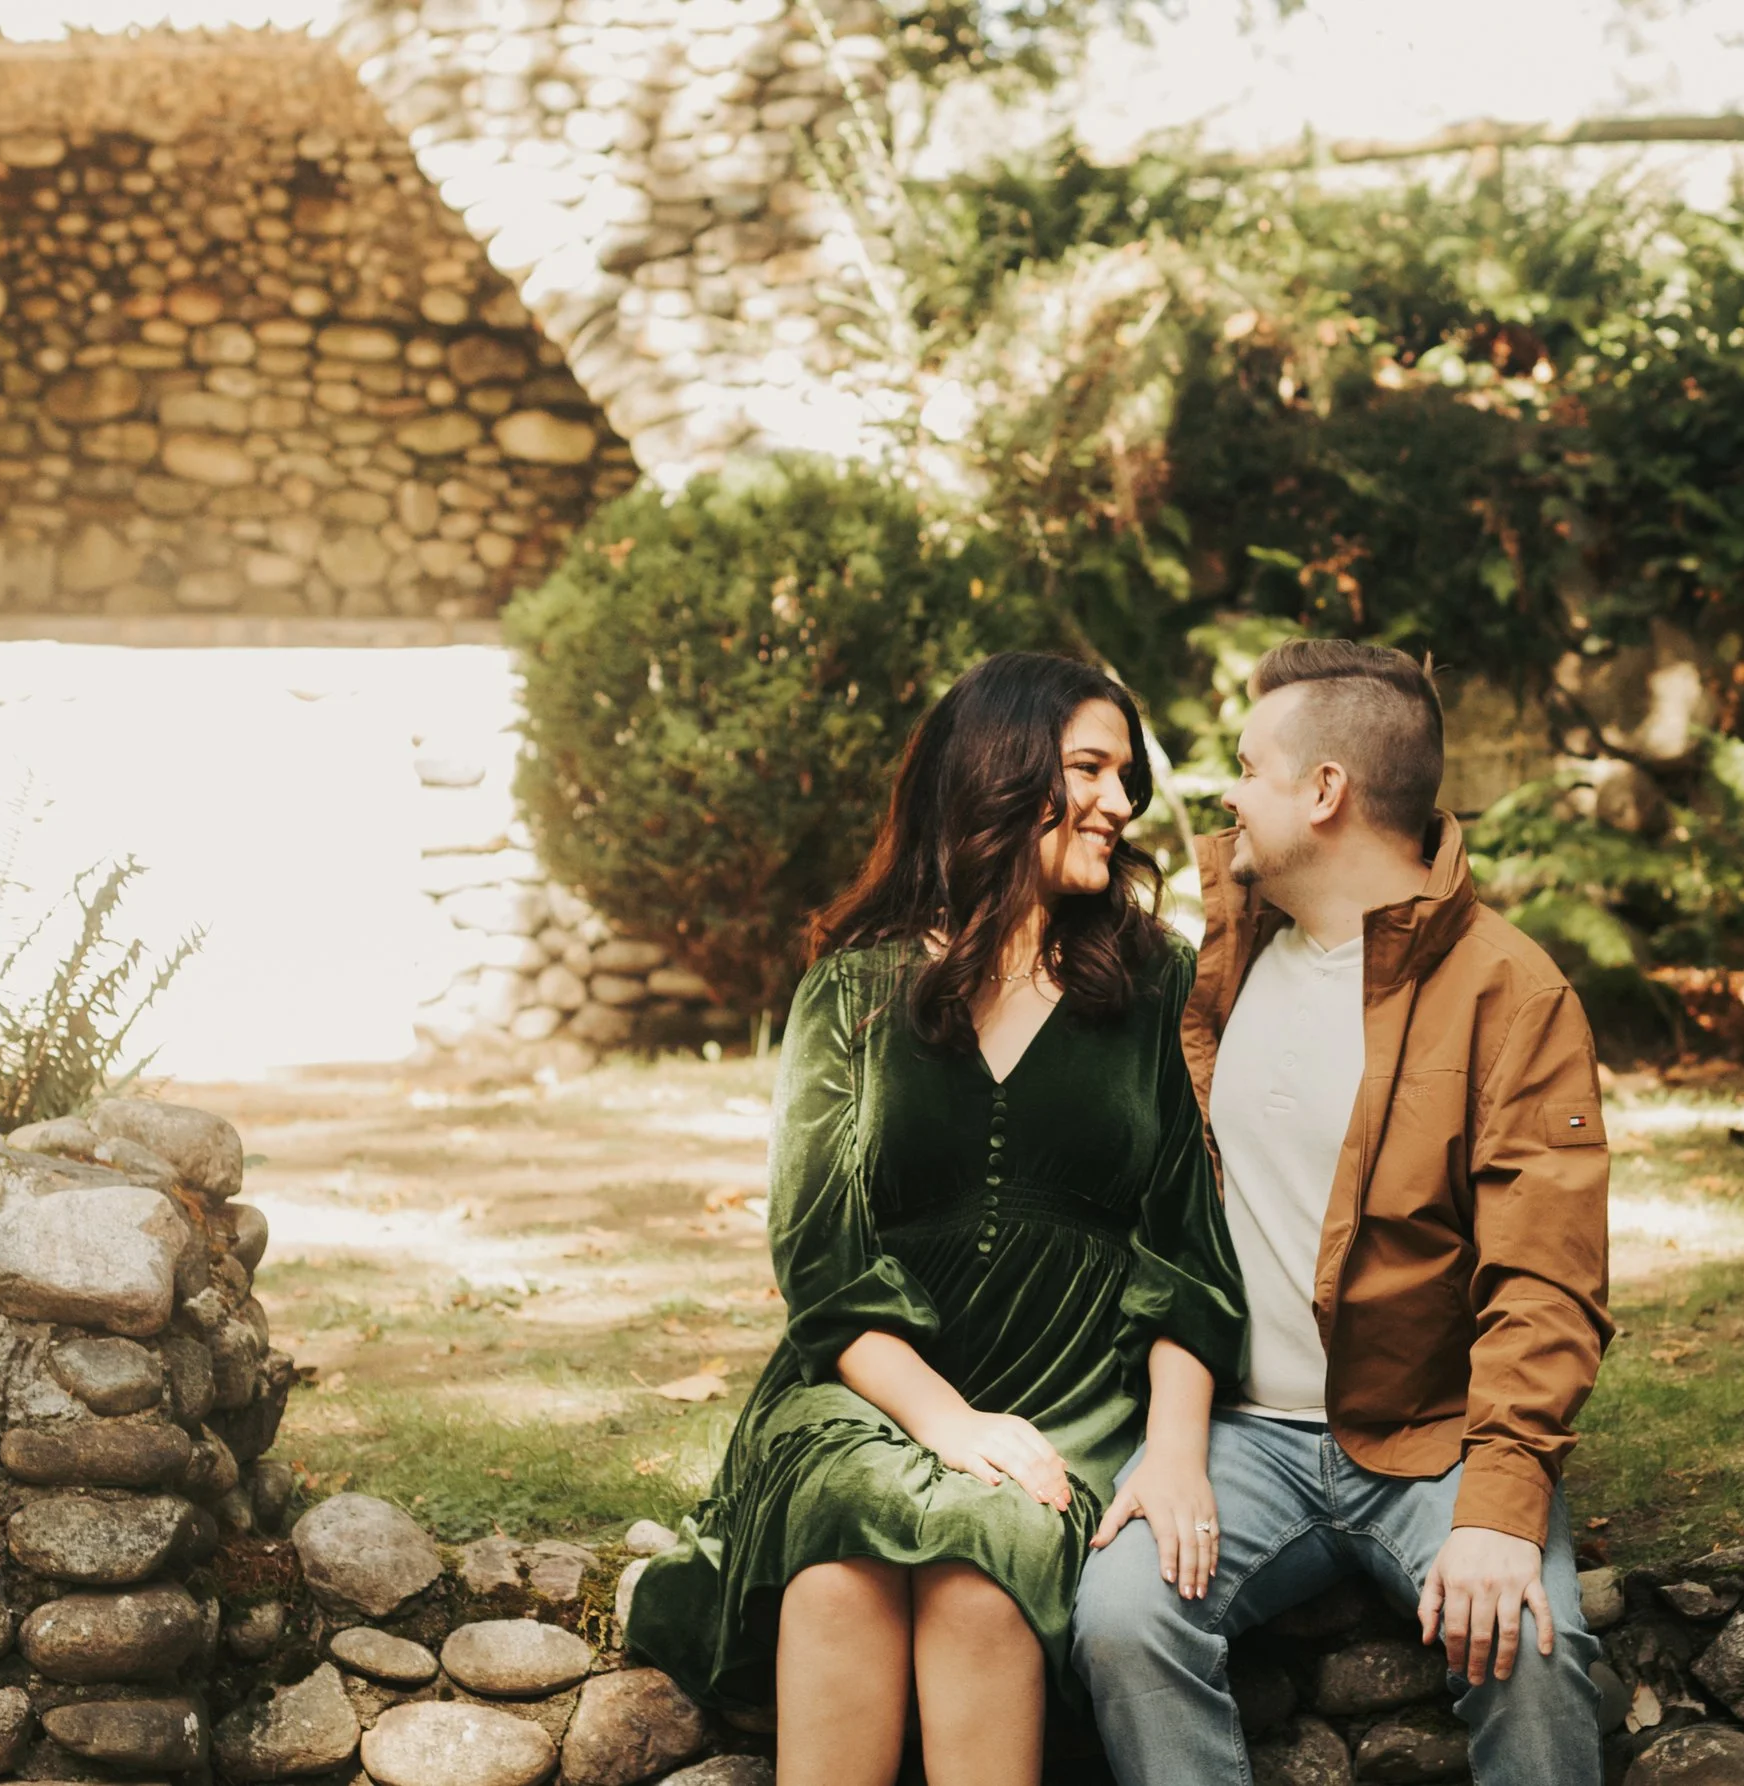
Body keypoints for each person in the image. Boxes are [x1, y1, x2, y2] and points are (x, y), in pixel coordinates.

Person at [624, 652, 1245, 1786]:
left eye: (1126, 779)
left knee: (985, 1566)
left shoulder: (1156, 986)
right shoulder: (853, 993)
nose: (1123, 803)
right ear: (999, 776)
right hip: (873, 1386)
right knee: (840, 1561)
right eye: (1091, 770)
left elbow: (1189, 1250)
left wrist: (1176, 1452)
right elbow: (819, 1257)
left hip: (1075, 1392)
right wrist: (947, 1421)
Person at [1073, 639, 1615, 1786]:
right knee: (1122, 1617)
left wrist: (1502, 1502)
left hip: (1434, 1439)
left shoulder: (1510, 994)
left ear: (1325, 791)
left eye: (1249, 767)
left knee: (1535, 1647)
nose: (1227, 793)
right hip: (1242, 1439)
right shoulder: (1218, 959)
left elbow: (1547, 1280)